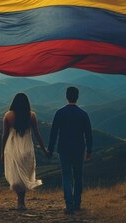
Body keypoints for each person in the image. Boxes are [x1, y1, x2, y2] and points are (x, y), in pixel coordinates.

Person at [47, 86, 93, 215]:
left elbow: (54, 133)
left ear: (66, 96)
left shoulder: (60, 113)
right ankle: (77, 204)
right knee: (78, 176)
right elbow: (88, 134)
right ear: (77, 97)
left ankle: (69, 205)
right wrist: (89, 150)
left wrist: (50, 149)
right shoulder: (83, 114)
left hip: (64, 149)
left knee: (66, 177)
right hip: (79, 149)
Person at [1, 93, 48, 210]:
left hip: (12, 147)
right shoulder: (31, 115)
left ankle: (20, 202)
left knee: (17, 174)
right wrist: (44, 149)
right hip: (27, 147)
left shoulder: (8, 115)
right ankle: (21, 201)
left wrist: (2, 151)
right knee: (24, 173)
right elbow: (37, 134)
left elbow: (4, 135)